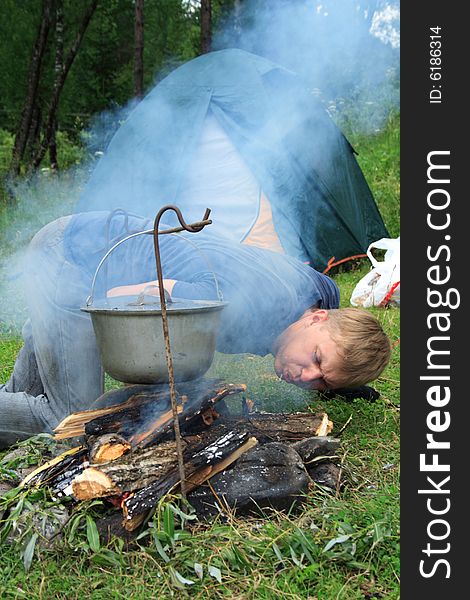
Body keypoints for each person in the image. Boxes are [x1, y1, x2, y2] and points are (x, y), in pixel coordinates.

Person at [0, 210, 391, 448]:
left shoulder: (318, 298)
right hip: (74, 261)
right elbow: (137, 294)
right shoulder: (253, 304)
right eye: (316, 359)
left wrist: (342, 376)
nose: (306, 377)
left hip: (79, 241)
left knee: (23, 397)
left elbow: (330, 296)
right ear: (316, 319)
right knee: (70, 417)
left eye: (321, 382)